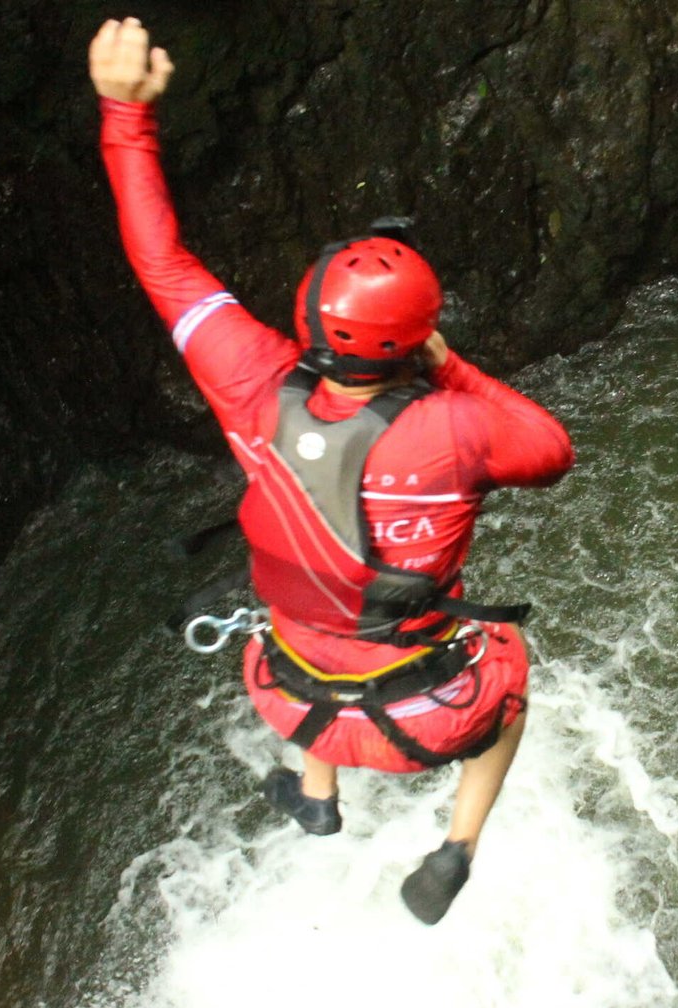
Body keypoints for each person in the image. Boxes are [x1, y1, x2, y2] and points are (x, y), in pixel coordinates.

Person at [89, 17, 573, 924]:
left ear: (310, 313)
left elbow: (160, 261)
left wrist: (126, 114)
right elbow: (551, 448)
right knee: (509, 679)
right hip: (432, 714)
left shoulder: (251, 385)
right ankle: (455, 849)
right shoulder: (461, 427)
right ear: (419, 331)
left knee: (309, 592)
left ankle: (318, 793)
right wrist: (450, 363)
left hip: (288, 694)